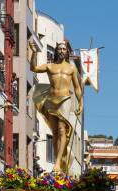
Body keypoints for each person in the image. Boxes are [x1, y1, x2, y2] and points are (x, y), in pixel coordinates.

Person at [29, 40, 82, 173]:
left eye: (64, 49)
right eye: (59, 49)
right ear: (56, 51)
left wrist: (80, 103)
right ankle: (61, 160)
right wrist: (34, 53)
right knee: (55, 133)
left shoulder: (71, 68)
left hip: (65, 99)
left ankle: (57, 163)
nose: (62, 51)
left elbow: (77, 87)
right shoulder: (50, 66)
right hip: (51, 99)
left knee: (62, 129)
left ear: (67, 52)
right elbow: (34, 68)